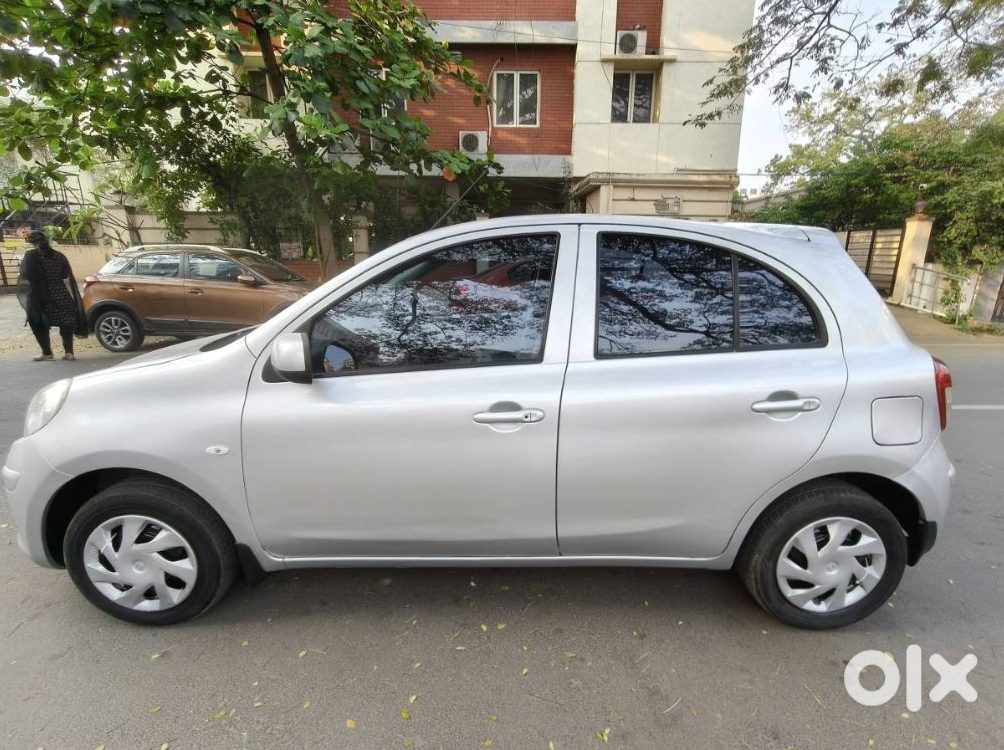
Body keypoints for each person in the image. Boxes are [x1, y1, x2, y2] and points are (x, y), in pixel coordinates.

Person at [17, 229, 87, 361]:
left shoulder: (31, 255)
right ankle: (69, 353)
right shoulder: (59, 255)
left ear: (32, 242)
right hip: (62, 295)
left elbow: (26, 275)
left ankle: (47, 353)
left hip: (41, 297)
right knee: (66, 323)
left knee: (38, 323)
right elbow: (64, 274)